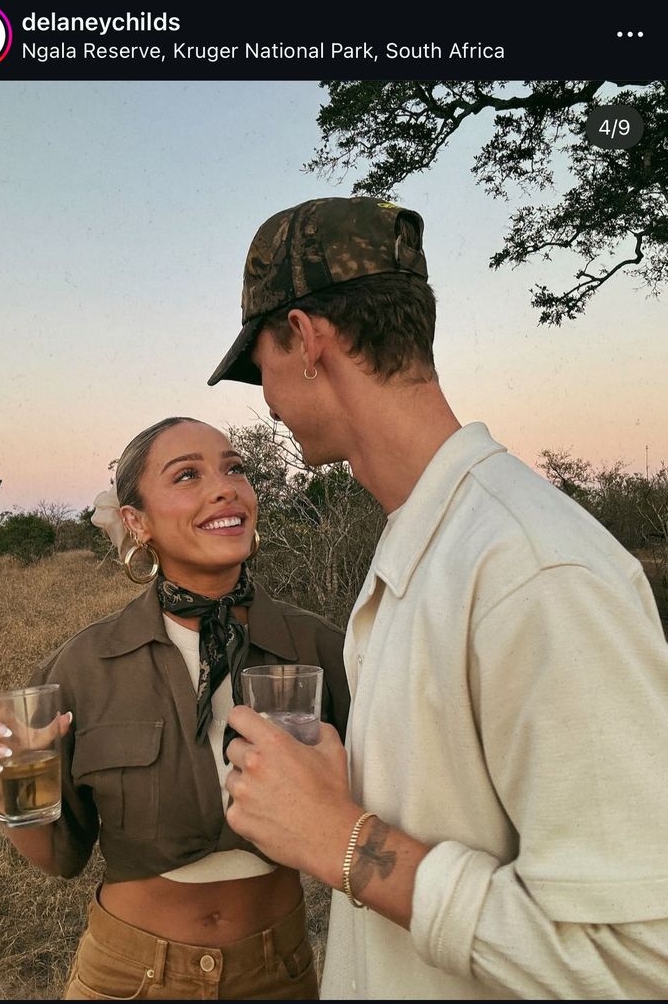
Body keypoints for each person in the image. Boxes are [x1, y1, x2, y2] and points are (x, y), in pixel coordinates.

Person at [206, 196, 668, 999]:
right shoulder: (422, 539)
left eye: (260, 365)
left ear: (307, 339)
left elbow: (636, 961)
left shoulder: (533, 571)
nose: (266, 399)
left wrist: (343, 838)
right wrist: (346, 798)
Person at [0, 416, 349, 1001]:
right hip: (128, 976)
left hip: (279, 974)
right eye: (188, 475)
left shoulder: (318, 648)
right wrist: (6, 786)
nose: (225, 487)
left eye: (234, 468)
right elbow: (59, 856)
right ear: (136, 522)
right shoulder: (85, 666)